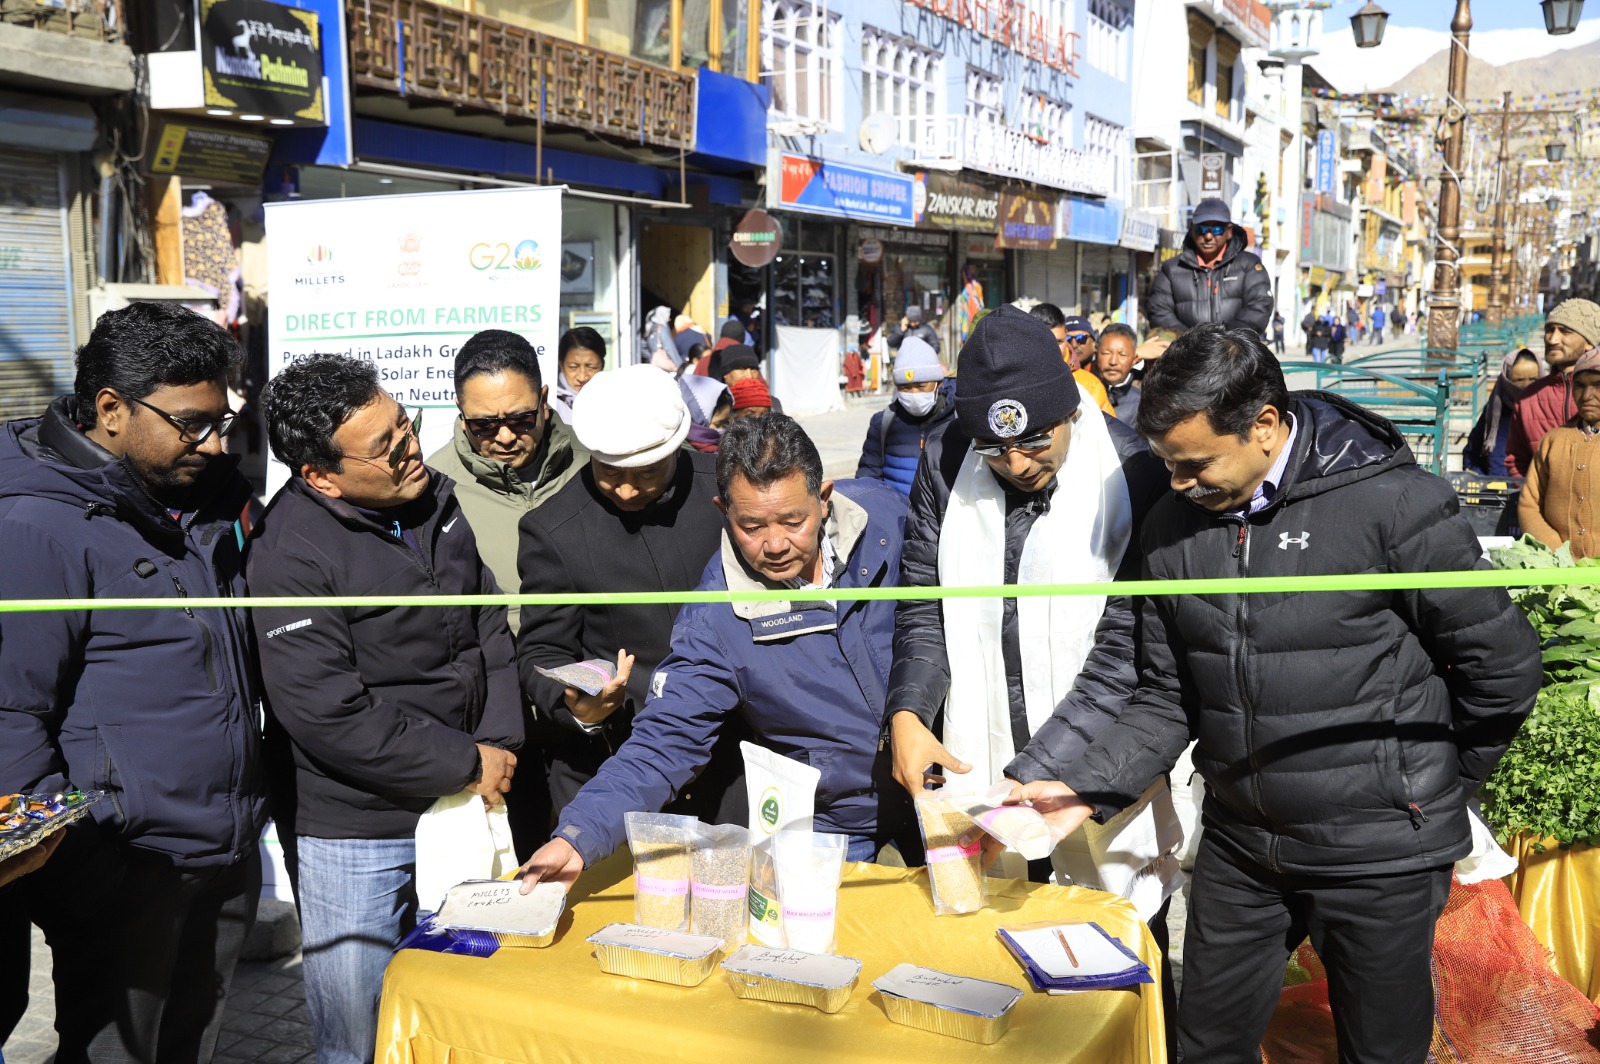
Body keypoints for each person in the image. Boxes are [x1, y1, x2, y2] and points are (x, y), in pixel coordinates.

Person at [1005, 323, 1541, 1064]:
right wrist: (1085, 787)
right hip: (1243, 846)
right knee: (1205, 1043)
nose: (1179, 484)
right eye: (1166, 464)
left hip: (1379, 853)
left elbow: (1502, 664)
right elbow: (1167, 695)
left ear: (1263, 427)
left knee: (1380, 1050)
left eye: (1194, 465)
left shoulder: (1391, 505)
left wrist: (1435, 788)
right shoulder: (1170, 528)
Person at [882, 303, 1177, 1037]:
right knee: (998, 984)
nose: (1016, 466)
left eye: (1036, 445)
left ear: (1067, 408)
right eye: (995, 449)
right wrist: (910, 712)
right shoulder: (949, 459)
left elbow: (1128, 653)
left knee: (1111, 981)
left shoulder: (1134, 471)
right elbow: (924, 602)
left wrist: (1039, 770)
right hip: (981, 771)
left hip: (1096, 781)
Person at [0, 301, 266, 1063]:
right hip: (124, 868)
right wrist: (86, 873)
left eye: (222, 420)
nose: (214, 442)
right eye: (191, 423)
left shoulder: (201, 494)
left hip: (223, 848)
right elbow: (9, 718)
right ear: (111, 409)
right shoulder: (33, 524)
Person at [250, 354, 523, 1064]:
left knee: (466, 1011)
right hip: (357, 830)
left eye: (406, 426)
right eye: (386, 447)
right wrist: (465, 761)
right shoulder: (290, 556)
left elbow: (488, 621)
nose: (411, 451)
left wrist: (495, 746)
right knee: (359, 1032)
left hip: (466, 806)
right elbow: (327, 713)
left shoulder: (438, 498)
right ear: (319, 475)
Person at [515, 414, 918, 890]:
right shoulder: (713, 620)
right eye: (751, 525)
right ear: (722, 510)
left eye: (794, 521)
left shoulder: (888, 519)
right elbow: (663, 741)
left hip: (944, 784)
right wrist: (578, 837)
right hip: (831, 822)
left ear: (824, 499)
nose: (774, 544)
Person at [515, 364, 743, 843]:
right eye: (609, 473)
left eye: (645, 474)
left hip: (733, 765)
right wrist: (579, 705)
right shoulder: (553, 529)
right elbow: (541, 654)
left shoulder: (727, 492)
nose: (625, 490)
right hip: (617, 767)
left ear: (677, 446)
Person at [426, 329, 588, 634]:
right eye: (484, 425)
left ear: (543, 400)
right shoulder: (433, 489)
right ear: (461, 411)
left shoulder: (597, 463)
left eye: (520, 419)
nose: (505, 437)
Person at [1146, 198, 1274, 334]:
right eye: (1202, 229)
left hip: (1236, 351)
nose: (1208, 236)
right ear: (1191, 229)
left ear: (1229, 231)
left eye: (1217, 229)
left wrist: (1226, 341)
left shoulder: (1249, 265)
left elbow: (1259, 306)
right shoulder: (1171, 269)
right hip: (1187, 352)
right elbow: (1159, 312)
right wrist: (1192, 342)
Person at [1520, 347, 1600, 559]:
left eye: (1598, 385)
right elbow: (1529, 504)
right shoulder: (1554, 441)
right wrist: (1558, 554)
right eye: (1580, 386)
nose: (1587, 395)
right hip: (1557, 569)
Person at [1505, 298, 1600, 477]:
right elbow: (1517, 460)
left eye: (1565, 331)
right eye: (1550, 330)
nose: (1553, 339)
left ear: (1589, 342)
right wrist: (1532, 498)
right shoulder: (1528, 399)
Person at [855, 337, 955, 495]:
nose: (914, 394)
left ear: (938, 384)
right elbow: (868, 478)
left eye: (921, 386)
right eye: (905, 388)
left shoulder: (958, 420)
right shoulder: (882, 423)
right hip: (895, 516)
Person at [1026, 302, 1115, 415]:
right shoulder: (1013, 378)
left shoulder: (1090, 385)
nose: (1054, 349)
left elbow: (1110, 429)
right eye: (1045, 342)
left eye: (1059, 341)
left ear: (1065, 334)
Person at [1463, 349, 1542, 476]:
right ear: (1507, 380)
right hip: (1496, 490)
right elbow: (1472, 452)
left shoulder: (1547, 409)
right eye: (1519, 380)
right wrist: (1482, 480)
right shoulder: (1494, 410)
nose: (1526, 386)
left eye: (1533, 379)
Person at [550, 327, 606, 422]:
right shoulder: (550, 402)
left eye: (591, 367)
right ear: (561, 366)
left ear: (602, 365)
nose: (582, 377)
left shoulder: (613, 399)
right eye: (573, 367)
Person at [1095, 323, 1143, 424]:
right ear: (1096, 354)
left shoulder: (1144, 403)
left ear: (1135, 360)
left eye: (1122, 354)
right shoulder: (1084, 393)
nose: (1113, 361)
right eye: (1106, 353)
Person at [679, 374, 731, 454]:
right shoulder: (680, 455)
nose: (723, 429)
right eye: (718, 424)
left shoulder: (727, 451)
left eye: (726, 423)